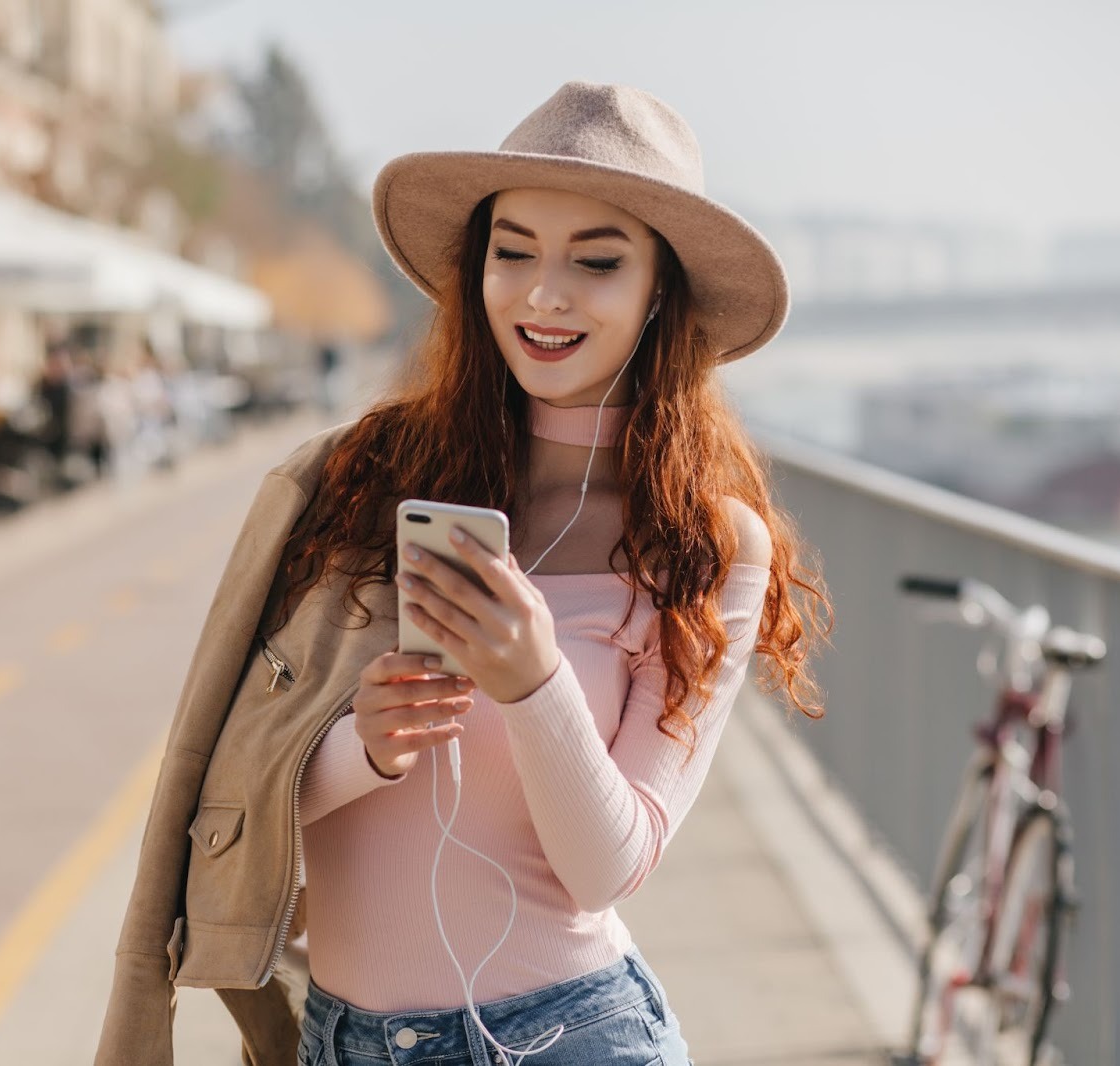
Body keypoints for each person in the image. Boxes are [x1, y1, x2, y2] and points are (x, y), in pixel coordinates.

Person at [94, 81, 831, 1066]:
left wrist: (533, 681)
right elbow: (229, 792)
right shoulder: (362, 480)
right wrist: (364, 745)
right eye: (512, 251)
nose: (543, 294)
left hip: (568, 1039)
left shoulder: (706, 543)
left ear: (661, 288)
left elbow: (609, 868)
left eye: (596, 261)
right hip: (340, 1042)